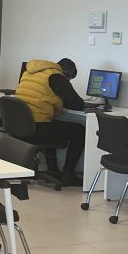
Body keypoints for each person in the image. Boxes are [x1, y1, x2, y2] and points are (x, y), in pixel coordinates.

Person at [15, 58, 85, 186]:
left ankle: (52, 168)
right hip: (36, 127)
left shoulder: (30, 72)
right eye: (69, 79)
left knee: (53, 121)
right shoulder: (56, 77)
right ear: (67, 73)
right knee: (79, 130)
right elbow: (77, 104)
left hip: (19, 125)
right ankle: (68, 174)